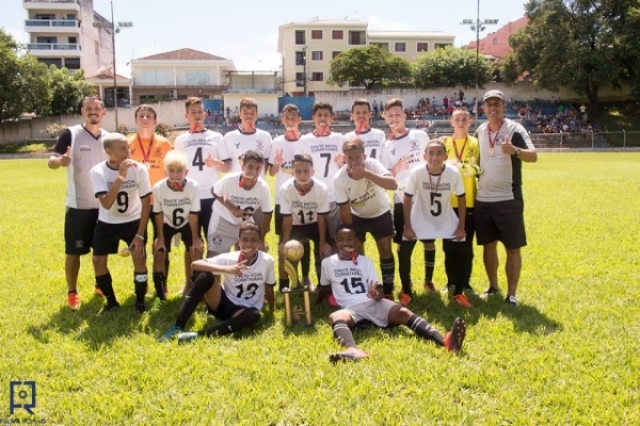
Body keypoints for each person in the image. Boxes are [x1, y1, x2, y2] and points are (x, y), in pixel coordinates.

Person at [316, 225, 467, 362]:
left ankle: (445, 341)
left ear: (356, 241)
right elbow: (324, 287)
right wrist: (316, 303)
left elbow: (379, 290)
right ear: (336, 242)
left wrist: (376, 293)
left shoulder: (365, 262)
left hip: (374, 303)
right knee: (336, 316)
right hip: (351, 309)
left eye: (349, 239)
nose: (345, 243)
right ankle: (353, 350)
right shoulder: (328, 263)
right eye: (341, 239)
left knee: (403, 312)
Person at [160, 222, 275, 342]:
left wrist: (272, 311)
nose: (249, 244)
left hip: (243, 311)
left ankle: (199, 335)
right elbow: (195, 265)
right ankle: (178, 326)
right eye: (245, 239)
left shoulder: (267, 261)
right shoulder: (230, 258)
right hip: (222, 303)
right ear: (238, 241)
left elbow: (269, 287)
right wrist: (227, 269)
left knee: (254, 314)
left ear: (259, 242)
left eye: (253, 240)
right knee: (205, 277)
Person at [476, 90, 537, 306]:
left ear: (504, 106)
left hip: (508, 198)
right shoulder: (480, 130)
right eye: (489, 104)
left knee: (512, 247)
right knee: (488, 245)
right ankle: (493, 287)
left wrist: (515, 151)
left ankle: (511, 294)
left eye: (497, 103)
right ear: (483, 108)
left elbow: (533, 156)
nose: (493, 107)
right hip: (483, 199)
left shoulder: (515, 129)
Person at [48, 95, 109, 309]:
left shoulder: (109, 137)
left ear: (103, 112)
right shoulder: (71, 134)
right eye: (88, 108)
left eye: (97, 108)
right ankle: (72, 292)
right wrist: (60, 161)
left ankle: (100, 284)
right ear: (82, 111)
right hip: (78, 206)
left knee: (100, 251)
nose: (93, 111)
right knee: (74, 251)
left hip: (103, 206)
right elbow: (51, 161)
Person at [403, 139, 470, 308]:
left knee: (463, 250)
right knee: (404, 249)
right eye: (431, 153)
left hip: (445, 219)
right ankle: (406, 292)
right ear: (425, 156)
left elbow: (462, 198)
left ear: (446, 156)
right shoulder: (417, 172)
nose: (434, 157)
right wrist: (408, 226)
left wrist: (461, 226)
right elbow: (407, 197)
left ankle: (458, 293)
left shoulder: (453, 173)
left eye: (439, 153)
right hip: (421, 218)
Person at [89, 133, 152, 315]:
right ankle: (111, 302)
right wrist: (121, 177)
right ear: (109, 151)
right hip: (108, 222)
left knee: (139, 257)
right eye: (122, 148)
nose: (128, 151)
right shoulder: (98, 171)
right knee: (97, 260)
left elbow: (146, 202)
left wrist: (139, 235)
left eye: (128, 147)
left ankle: (140, 302)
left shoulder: (139, 169)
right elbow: (107, 203)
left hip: (133, 221)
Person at [174, 97, 229, 293]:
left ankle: (216, 283)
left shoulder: (217, 137)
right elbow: (176, 168)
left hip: (212, 197)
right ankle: (190, 283)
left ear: (205, 114)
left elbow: (227, 166)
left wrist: (216, 163)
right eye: (193, 112)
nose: (197, 115)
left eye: (200, 112)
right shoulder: (180, 140)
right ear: (186, 115)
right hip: (190, 197)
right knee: (191, 243)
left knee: (215, 242)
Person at [334, 139, 398, 301]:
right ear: (344, 158)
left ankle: (388, 290)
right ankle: (366, 288)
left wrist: (366, 174)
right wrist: (351, 233)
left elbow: (393, 184)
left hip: (381, 212)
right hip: (358, 216)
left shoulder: (373, 165)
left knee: (385, 249)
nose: (354, 161)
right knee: (357, 254)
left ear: (365, 156)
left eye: (358, 157)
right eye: (350, 158)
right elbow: (344, 209)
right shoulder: (339, 178)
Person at [380, 98, 430, 301]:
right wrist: (396, 168)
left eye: (397, 114)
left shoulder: (420, 135)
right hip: (401, 199)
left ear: (404, 115)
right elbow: (385, 176)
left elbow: (433, 158)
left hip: (425, 195)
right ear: (385, 118)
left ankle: (429, 281)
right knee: (403, 244)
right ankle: (406, 285)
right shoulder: (387, 146)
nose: (394, 118)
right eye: (390, 115)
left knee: (429, 240)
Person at [150, 150, 203, 311]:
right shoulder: (159, 187)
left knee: (196, 251)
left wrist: (195, 239)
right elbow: (158, 213)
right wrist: (160, 237)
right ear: (165, 171)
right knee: (159, 253)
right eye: (171, 171)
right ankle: (160, 296)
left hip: (187, 222)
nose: (175, 175)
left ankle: (196, 294)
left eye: (179, 171)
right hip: (166, 222)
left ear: (186, 172)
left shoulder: (193, 186)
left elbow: (193, 214)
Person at [128, 105, 172, 291]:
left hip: (160, 203)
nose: (145, 119)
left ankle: (162, 283)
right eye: (141, 116)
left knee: (161, 244)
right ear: (135, 120)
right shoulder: (127, 143)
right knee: (139, 244)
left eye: (148, 116)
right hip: (136, 204)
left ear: (155, 121)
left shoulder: (165, 144)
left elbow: (171, 172)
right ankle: (142, 282)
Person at [268, 105, 312, 286]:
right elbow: (271, 173)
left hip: (304, 196)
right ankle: (285, 280)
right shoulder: (277, 141)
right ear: (282, 120)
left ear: (300, 120)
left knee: (305, 238)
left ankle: (306, 277)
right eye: (287, 117)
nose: (291, 120)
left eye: (294, 117)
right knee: (284, 239)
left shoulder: (306, 141)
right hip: (282, 198)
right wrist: (277, 163)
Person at [442, 107, 482, 302]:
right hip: (447, 202)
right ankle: (451, 282)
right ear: (451, 121)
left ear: (470, 122)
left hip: (469, 201)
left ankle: (465, 283)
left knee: (466, 246)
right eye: (457, 119)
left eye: (464, 119)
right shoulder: (444, 142)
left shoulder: (475, 143)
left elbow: (478, 169)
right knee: (448, 246)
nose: (460, 123)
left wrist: (461, 167)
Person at [278, 154, 332, 291]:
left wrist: (322, 242)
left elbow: (321, 217)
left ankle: (322, 284)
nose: (302, 175)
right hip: (294, 223)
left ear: (312, 172)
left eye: (306, 171)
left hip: (314, 223)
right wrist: (285, 241)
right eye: (298, 171)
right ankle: (287, 284)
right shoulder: (285, 189)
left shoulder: (321, 188)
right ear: (292, 173)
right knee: (286, 250)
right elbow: (287, 218)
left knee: (323, 250)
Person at [207, 150, 272, 257]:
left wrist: (262, 239)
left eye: (258, 168)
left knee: (252, 257)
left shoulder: (263, 187)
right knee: (213, 258)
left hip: (245, 224)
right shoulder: (229, 180)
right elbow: (214, 191)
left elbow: (268, 212)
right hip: (224, 221)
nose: (254, 172)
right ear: (243, 167)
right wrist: (232, 208)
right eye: (250, 167)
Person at [222, 98, 272, 174]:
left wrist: (258, 177)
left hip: (257, 180)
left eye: (252, 113)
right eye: (245, 112)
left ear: (257, 115)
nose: (249, 115)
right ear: (240, 115)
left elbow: (266, 164)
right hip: (236, 181)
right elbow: (227, 165)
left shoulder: (265, 136)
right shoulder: (229, 137)